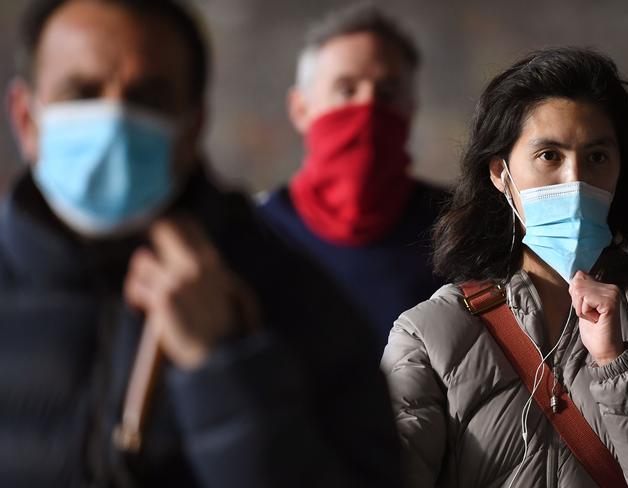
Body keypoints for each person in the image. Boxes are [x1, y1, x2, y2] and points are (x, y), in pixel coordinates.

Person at [1, 0, 401, 486]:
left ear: (192, 127)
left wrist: (225, 367)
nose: (113, 121)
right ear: (25, 119)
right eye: (81, 93)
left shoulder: (293, 294)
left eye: (148, 97)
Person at [381, 47, 628, 487]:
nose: (575, 180)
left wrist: (614, 363)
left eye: (597, 156)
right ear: (500, 173)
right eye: (549, 155)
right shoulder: (430, 332)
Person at [257, 4, 448, 355]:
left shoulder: (460, 230)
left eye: (387, 93)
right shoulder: (252, 234)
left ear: (410, 109)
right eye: (346, 90)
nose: (368, 108)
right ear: (301, 109)